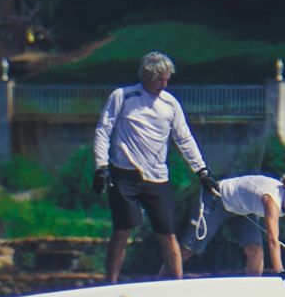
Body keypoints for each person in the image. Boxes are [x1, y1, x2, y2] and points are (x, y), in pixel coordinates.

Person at [92, 51, 217, 282]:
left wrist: (202, 171)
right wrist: (101, 166)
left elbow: (184, 138)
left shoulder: (170, 103)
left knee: (167, 233)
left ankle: (177, 282)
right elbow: (104, 130)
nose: (165, 83)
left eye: (167, 79)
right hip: (124, 175)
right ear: (148, 76)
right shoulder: (123, 96)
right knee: (123, 229)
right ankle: (110, 282)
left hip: (157, 177)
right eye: (160, 79)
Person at [181, 173, 285, 276]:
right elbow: (273, 240)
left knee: (255, 252)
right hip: (218, 199)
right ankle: (164, 281)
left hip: (243, 209)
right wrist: (280, 271)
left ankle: (251, 295)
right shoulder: (272, 200)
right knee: (188, 250)